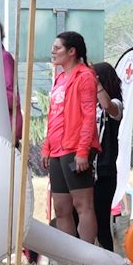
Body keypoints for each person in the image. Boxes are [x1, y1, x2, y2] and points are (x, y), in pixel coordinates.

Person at [40, 31, 98, 246]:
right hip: (57, 148)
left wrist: (83, 151)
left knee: (83, 205)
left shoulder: (85, 76)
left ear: (72, 51)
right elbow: (53, 114)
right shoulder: (59, 78)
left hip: (75, 147)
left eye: (57, 48)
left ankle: (87, 254)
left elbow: (89, 115)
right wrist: (46, 147)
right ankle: (69, 256)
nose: (53, 52)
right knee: (61, 207)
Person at [91, 61, 125, 252]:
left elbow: (108, 106)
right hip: (86, 169)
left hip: (104, 171)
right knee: (81, 217)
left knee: (102, 221)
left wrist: (96, 84)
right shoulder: (88, 104)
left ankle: (108, 260)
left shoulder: (116, 104)